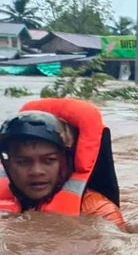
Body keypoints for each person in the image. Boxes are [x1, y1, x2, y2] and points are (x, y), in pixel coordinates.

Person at [0, 98, 125, 230]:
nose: (36, 171)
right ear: (7, 165)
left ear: (66, 162)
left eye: (49, 160)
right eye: (23, 162)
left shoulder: (99, 211)